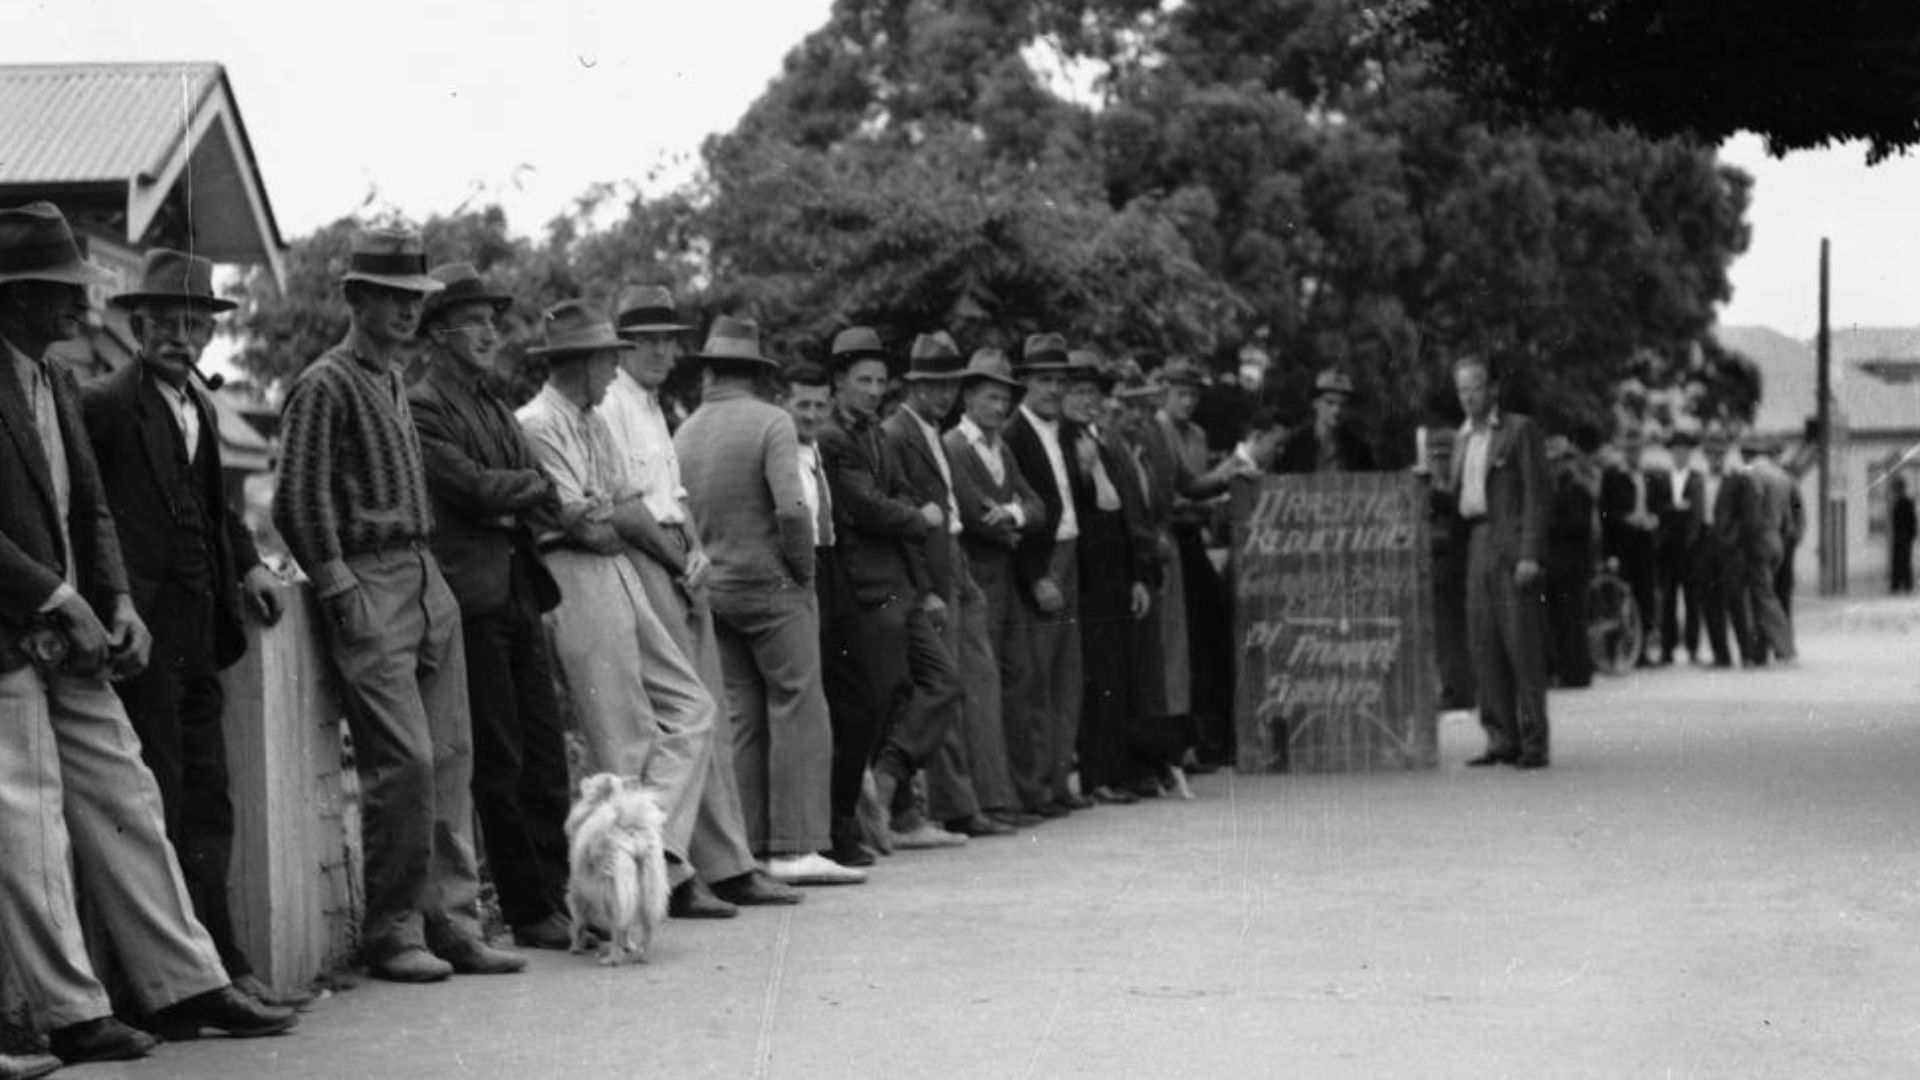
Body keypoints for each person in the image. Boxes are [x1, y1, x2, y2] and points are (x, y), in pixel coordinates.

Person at [0, 201, 296, 1065]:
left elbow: (89, 508)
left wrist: (117, 599)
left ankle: (188, 980)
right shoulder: (60, 381)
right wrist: (60, 597)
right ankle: (73, 1012)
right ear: (16, 296)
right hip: (17, 635)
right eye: (61, 292)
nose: (78, 308)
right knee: (29, 824)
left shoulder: (54, 380)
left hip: (79, 634)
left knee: (128, 796)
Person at [274, 224, 520, 982]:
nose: (407, 311)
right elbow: (295, 496)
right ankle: (393, 927)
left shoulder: (388, 379)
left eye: (413, 298)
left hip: (422, 572)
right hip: (369, 576)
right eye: (389, 297)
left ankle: (452, 921)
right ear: (356, 299)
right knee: (403, 760)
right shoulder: (326, 383)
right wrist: (337, 581)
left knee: (452, 755)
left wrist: (427, 582)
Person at [80, 248, 310, 1008]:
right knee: (162, 801)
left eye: (194, 325)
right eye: (167, 324)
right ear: (137, 325)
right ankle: (172, 988)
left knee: (210, 796)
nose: (182, 338)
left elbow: (216, 512)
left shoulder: (202, 408)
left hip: (201, 632)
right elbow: (89, 512)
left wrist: (245, 566)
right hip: (143, 636)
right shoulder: (108, 403)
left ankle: (223, 960)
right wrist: (115, 604)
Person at [515, 299, 726, 911]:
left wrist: (606, 515)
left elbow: (621, 506)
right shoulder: (536, 423)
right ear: (579, 362)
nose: (615, 369)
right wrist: (605, 516)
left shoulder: (592, 420)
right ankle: (630, 889)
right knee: (621, 734)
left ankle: (652, 852)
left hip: (616, 571)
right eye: (608, 358)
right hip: (573, 577)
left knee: (691, 707)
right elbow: (579, 521)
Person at [601, 285, 799, 912]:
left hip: (681, 564)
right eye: (647, 340)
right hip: (645, 562)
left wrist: (695, 553)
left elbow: (673, 495)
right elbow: (626, 507)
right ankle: (673, 868)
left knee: (706, 711)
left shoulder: (655, 406)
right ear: (621, 345)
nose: (662, 350)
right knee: (681, 715)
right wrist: (675, 555)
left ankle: (726, 862)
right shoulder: (610, 404)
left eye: (669, 340)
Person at [405, 263, 575, 948]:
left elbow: (539, 486)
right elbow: (473, 489)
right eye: (474, 321)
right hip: (472, 600)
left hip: (518, 590)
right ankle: (530, 909)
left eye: (491, 321)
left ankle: (556, 897)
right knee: (499, 759)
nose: (489, 332)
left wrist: (519, 492)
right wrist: (524, 490)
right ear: (440, 333)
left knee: (546, 750)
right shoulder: (423, 405)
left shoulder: (494, 406)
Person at [675, 317, 860, 885]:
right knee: (801, 703)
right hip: (774, 585)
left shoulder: (685, 433)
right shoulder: (771, 422)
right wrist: (803, 572)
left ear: (708, 372)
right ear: (756, 374)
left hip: (715, 586)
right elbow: (791, 508)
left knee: (743, 715)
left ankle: (748, 844)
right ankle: (798, 846)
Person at [818, 327, 964, 848]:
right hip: (865, 587)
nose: (876, 389)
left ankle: (889, 777)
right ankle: (886, 816)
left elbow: (896, 499)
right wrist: (917, 517)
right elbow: (864, 506)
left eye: (881, 380)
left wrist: (925, 586)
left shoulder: (877, 433)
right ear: (839, 382)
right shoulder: (832, 437)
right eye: (864, 380)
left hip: (902, 585)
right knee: (884, 698)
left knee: (942, 681)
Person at [881, 332, 1017, 838]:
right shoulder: (898, 433)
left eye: (948, 385)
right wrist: (925, 586)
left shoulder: (931, 431)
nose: (942, 394)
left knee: (977, 682)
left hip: (956, 559)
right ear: (914, 385)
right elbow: (907, 516)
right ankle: (952, 804)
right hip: (932, 570)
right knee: (946, 685)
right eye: (932, 385)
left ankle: (978, 799)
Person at [781, 360, 884, 866]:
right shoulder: (778, 451)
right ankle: (820, 831)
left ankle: (841, 819)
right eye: (803, 404)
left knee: (860, 699)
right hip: (801, 571)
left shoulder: (820, 450)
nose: (813, 413)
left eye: (821, 405)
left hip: (834, 566)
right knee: (814, 704)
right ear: (784, 404)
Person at [944, 349, 1048, 828]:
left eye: (1005, 399)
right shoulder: (954, 446)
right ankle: (989, 799)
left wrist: (1009, 514)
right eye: (991, 397)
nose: (999, 408)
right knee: (979, 688)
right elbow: (968, 511)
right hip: (974, 576)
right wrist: (1010, 521)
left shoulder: (1001, 448)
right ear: (968, 398)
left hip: (1004, 580)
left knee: (1017, 681)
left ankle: (1019, 794)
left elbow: (1037, 505)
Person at [1003, 333, 1091, 816]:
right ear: (1026, 383)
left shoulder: (1069, 432)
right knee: (1033, 679)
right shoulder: (1016, 432)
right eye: (1044, 380)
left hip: (1071, 552)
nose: (1054, 389)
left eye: (1060, 380)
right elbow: (1018, 508)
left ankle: (1058, 782)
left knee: (1066, 678)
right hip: (1041, 560)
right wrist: (1036, 573)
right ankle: (1032, 787)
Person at [1450, 354, 1552, 769]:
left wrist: (1529, 553)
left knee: (1520, 645)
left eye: (1475, 387)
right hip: (1474, 539)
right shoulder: (1460, 438)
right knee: (1483, 644)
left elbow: (1536, 495)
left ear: (1492, 389)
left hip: (1508, 543)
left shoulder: (1518, 430)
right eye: (1462, 389)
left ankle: (1533, 742)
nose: (1469, 397)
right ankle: (1499, 737)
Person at [1060, 351, 1153, 803]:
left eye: (1091, 393)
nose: (1085, 401)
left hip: (1115, 573)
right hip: (1084, 575)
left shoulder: (1108, 441)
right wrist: (1082, 468)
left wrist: (1138, 575)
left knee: (1120, 672)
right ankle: (1096, 774)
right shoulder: (1062, 442)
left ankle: (1118, 769)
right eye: (1077, 392)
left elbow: (1128, 514)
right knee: (1097, 677)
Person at [1418, 425, 1477, 708]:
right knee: (1448, 636)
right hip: (1446, 569)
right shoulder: (1440, 486)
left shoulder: (1455, 486)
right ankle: (1459, 687)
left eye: (1445, 456)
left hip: (1451, 569)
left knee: (1452, 636)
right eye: (1436, 456)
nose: (1440, 462)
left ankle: (1458, 691)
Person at [1597, 428, 1665, 667]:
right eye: (1629, 449)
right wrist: (1625, 520)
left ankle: (1642, 650)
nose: (1633, 453)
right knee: (1617, 599)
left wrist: (1654, 519)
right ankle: (1614, 651)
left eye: (1637, 449)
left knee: (1645, 597)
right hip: (1622, 544)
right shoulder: (1613, 476)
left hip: (1644, 544)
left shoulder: (1649, 476)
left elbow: (1658, 506)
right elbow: (1605, 514)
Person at [1691, 430, 1752, 667]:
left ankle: (1745, 653)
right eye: (1710, 454)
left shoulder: (1736, 480)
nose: (1714, 458)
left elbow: (1746, 516)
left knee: (1735, 600)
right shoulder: (1699, 481)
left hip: (1729, 546)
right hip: (1705, 543)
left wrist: (1734, 537)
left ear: (1725, 455)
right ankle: (1721, 655)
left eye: (1718, 454)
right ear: (1706, 456)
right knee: (1709, 600)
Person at [1542, 433, 1596, 689]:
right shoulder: (1556, 488)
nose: (1555, 466)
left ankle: (1576, 674)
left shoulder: (1577, 489)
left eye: (1558, 461)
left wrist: (1550, 526)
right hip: (1557, 565)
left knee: (1573, 621)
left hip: (1572, 565)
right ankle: (1566, 670)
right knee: (1561, 621)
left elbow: (1580, 526)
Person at [1740, 436, 1798, 666]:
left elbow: (1752, 514)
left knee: (1764, 598)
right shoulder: (1781, 476)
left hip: (1761, 541)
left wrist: (1747, 541)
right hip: (1777, 541)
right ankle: (1761, 652)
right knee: (1764, 596)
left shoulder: (1753, 475)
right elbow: (1789, 518)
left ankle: (1785, 649)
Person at [1656, 432, 1703, 665]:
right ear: (1671, 453)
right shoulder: (1662, 478)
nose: (1680, 454)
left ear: (1689, 453)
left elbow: (1699, 512)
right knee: (1668, 600)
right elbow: (1658, 508)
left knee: (1692, 600)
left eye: (1684, 450)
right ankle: (1667, 648)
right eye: (1676, 450)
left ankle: (1693, 648)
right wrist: (1674, 508)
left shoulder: (1696, 478)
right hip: (1668, 547)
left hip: (1690, 547)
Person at [1272, 368, 1375, 473]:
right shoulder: (1294, 446)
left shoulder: (1359, 449)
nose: (1337, 410)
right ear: (1315, 403)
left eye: (1343, 405)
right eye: (1330, 402)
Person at [1890, 475, 1915, 594]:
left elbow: (1911, 521)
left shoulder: (1905, 502)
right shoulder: (1899, 502)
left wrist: (1909, 536)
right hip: (1900, 537)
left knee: (1903, 561)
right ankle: (1899, 585)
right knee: (1899, 561)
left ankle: (1903, 585)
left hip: (1903, 537)